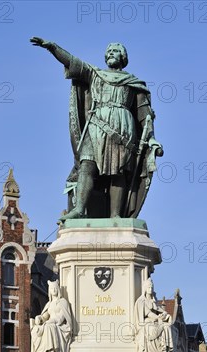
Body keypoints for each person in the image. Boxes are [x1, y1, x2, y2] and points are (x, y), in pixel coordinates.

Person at [30, 37, 163, 221]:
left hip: (123, 129)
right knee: (87, 164)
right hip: (96, 125)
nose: (110, 53)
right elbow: (72, 61)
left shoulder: (133, 83)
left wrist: (152, 138)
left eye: (115, 50)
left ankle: (116, 215)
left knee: (118, 171)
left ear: (123, 57)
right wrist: (53, 48)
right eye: (108, 50)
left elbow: (144, 115)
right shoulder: (95, 74)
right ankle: (79, 208)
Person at [30, 280, 72, 352]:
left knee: (49, 327)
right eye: (52, 288)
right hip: (49, 323)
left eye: (55, 288)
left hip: (58, 325)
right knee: (35, 329)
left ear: (58, 289)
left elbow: (61, 318)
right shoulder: (49, 304)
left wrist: (51, 321)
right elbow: (46, 315)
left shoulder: (63, 302)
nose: (54, 290)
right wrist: (40, 318)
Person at [134, 278, 173, 352]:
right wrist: (158, 317)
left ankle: (163, 350)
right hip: (146, 323)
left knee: (166, 327)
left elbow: (160, 310)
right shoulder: (141, 301)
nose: (150, 289)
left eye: (152, 287)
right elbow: (148, 314)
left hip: (156, 321)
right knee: (152, 328)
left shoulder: (153, 301)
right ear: (145, 288)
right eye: (148, 287)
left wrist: (165, 315)